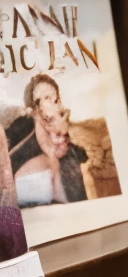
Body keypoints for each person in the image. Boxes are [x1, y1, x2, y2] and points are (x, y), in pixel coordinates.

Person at [6, 75, 87, 206]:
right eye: (43, 99)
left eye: (55, 100)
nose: (50, 105)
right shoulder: (21, 151)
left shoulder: (72, 150)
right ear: (33, 111)